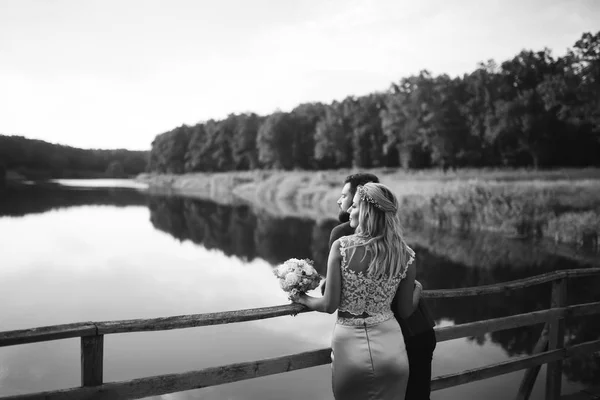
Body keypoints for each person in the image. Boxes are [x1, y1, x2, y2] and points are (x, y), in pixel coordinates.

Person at [293, 182, 417, 400]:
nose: (348, 209)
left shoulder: (342, 247)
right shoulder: (406, 254)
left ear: (367, 212)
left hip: (350, 350)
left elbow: (328, 305)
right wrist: (419, 290)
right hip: (392, 349)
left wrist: (301, 297)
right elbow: (406, 311)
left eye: (355, 206)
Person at [328, 173, 437, 400]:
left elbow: (332, 296)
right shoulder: (399, 242)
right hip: (415, 330)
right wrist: (418, 289)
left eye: (346, 196)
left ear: (364, 201)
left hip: (382, 338)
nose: (341, 202)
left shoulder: (342, 236)